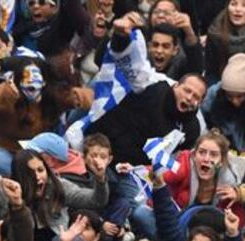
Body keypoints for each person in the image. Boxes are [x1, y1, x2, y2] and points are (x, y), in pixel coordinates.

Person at [83, 16, 205, 165]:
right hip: (104, 146)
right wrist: (120, 36)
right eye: (187, 91)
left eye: (195, 96)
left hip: (134, 172)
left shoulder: (192, 128)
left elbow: (196, 70)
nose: (189, 97)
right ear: (176, 86)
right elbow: (130, 64)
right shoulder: (152, 84)